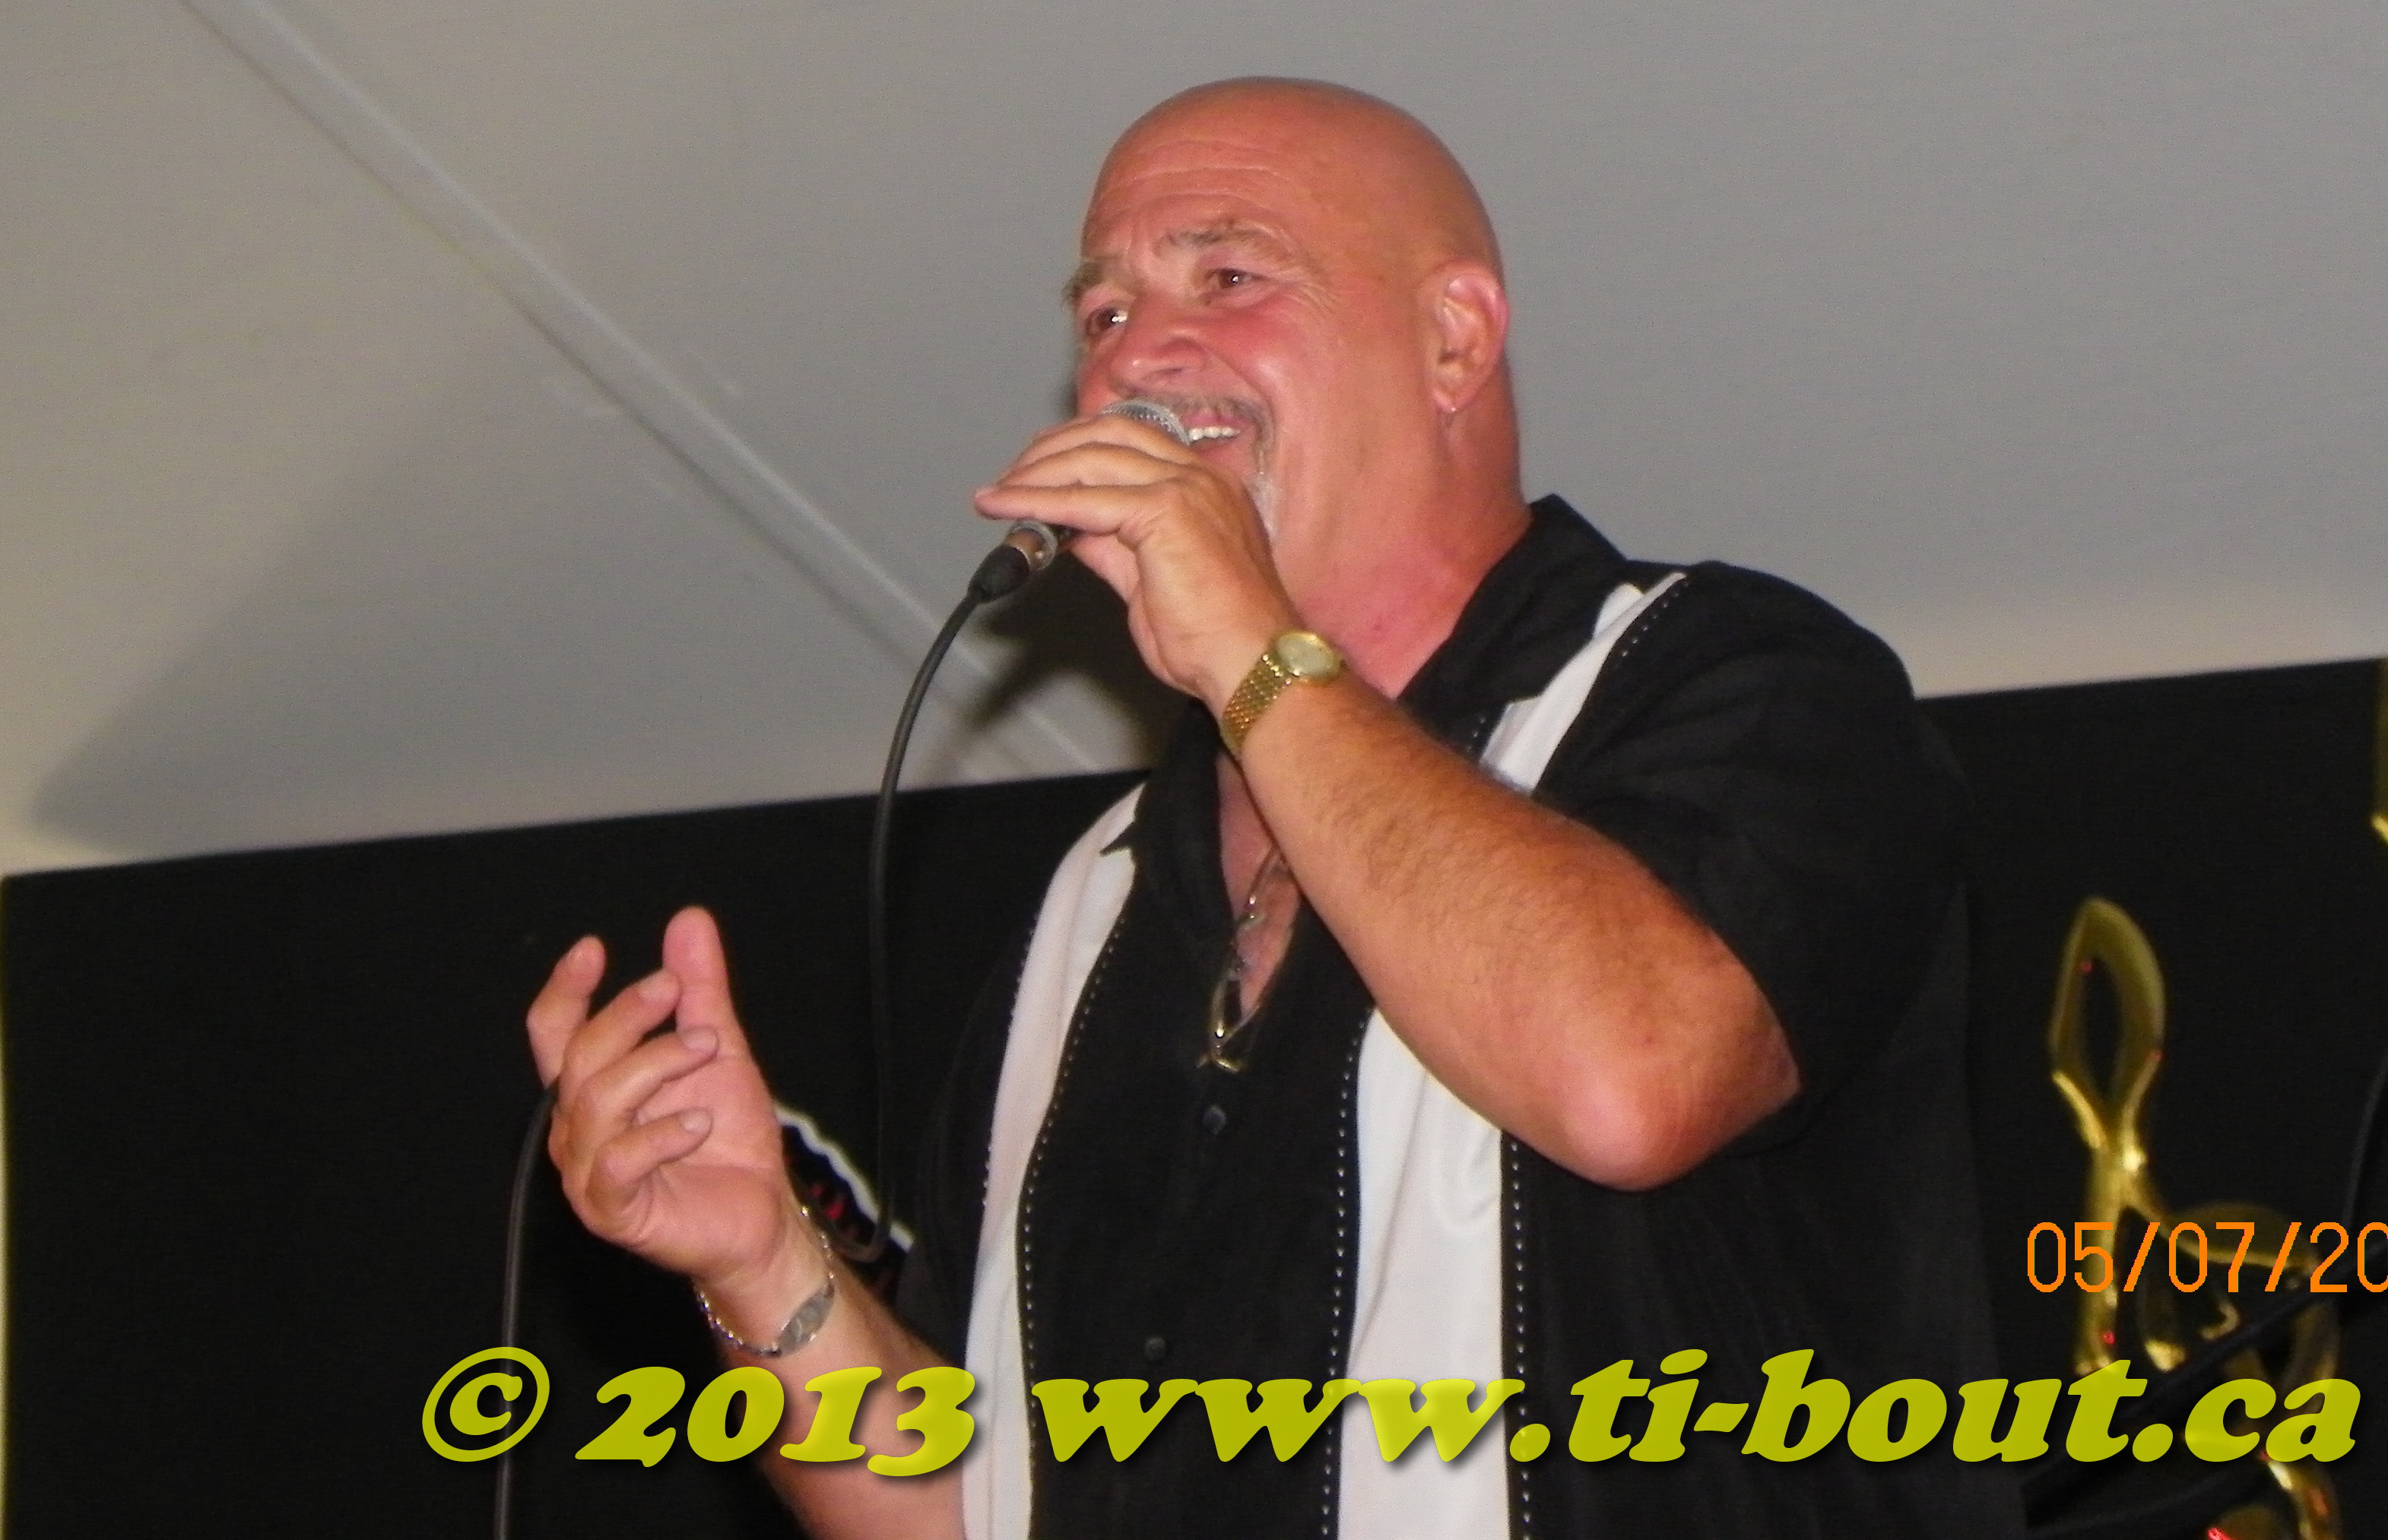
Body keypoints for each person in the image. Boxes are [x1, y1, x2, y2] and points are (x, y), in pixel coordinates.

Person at [527, 79, 2017, 1539]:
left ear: (1453, 339)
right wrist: (760, 1261)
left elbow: (1630, 1081)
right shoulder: (1100, 897)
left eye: (1229, 278)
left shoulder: (1738, 685)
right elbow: (970, 1507)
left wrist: (1248, 645)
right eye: (1102, 314)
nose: (1136, 356)